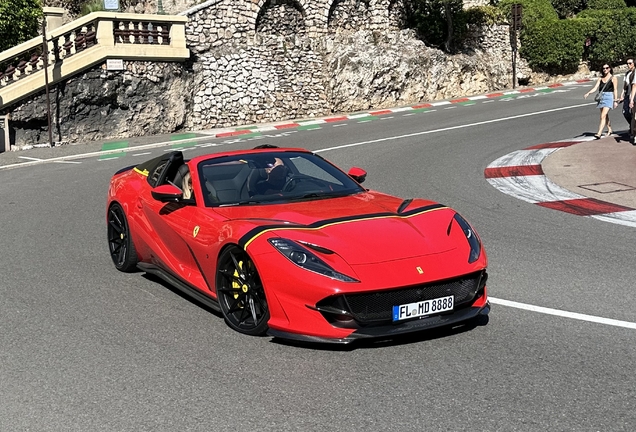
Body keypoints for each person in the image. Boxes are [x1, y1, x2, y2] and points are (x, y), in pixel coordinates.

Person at [584, 64, 619, 139]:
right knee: (605, 115)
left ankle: (599, 133)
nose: (605, 69)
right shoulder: (600, 78)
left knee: (603, 115)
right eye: (603, 68)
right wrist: (588, 93)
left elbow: (615, 89)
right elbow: (595, 88)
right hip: (601, 97)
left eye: (607, 68)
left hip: (609, 96)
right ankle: (609, 129)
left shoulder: (613, 78)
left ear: (610, 69)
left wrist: (615, 100)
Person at [618, 59, 635, 127]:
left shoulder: (635, 73)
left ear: (634, 63)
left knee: (634, 112)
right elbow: (625, 85)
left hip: (634, 94)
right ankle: (632, 125)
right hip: (627, 94)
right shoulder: (627, 73)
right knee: (625, 111)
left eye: (630, 63)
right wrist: (622, 94)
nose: (628, 65)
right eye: (627, 63)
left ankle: (633, 129)